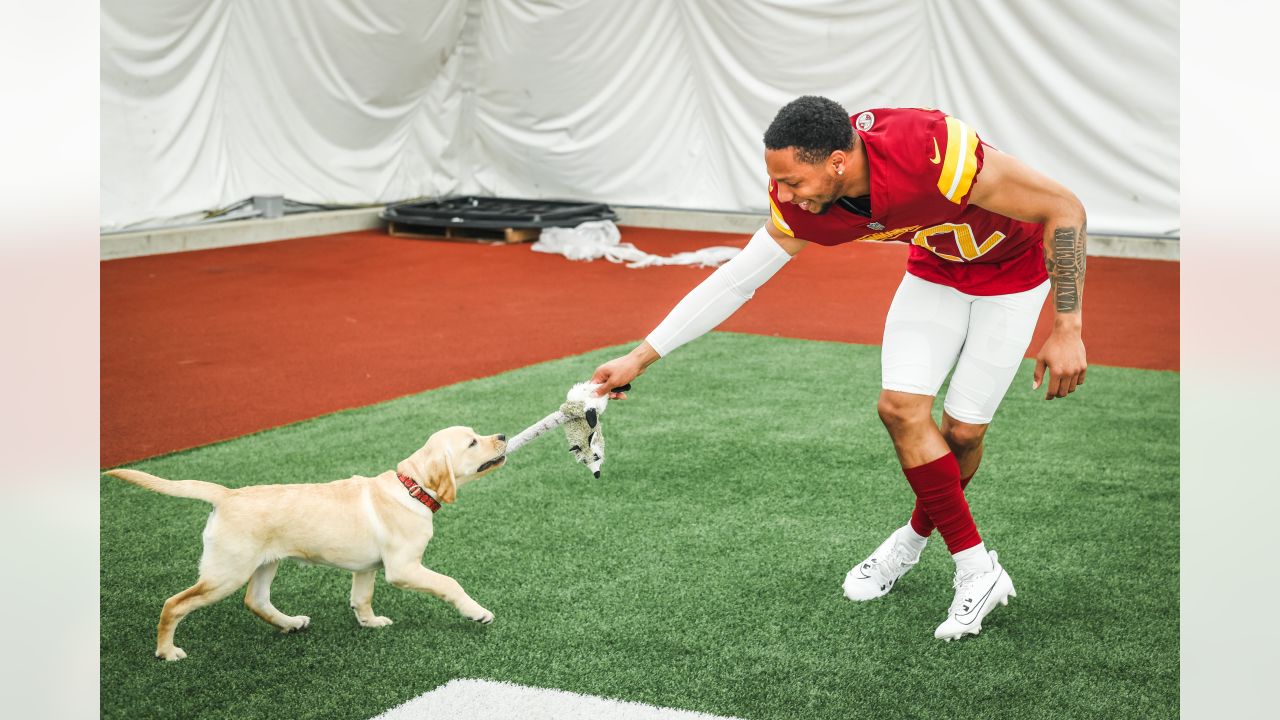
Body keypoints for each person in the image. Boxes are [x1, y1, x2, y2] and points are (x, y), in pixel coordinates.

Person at [590, 96, 1087, 641]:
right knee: (900, 410)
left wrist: (1067, 328)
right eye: (775, 180)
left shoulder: (929, 149)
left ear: (838, 162)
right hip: (935, 274)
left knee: (963, 433)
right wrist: (639, 357)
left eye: (793, 181)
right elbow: (737, 279)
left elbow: (1064, 208)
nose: (783, 195)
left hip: (1012, 278)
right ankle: (976, 568)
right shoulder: (806, 204)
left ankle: (912, 539)